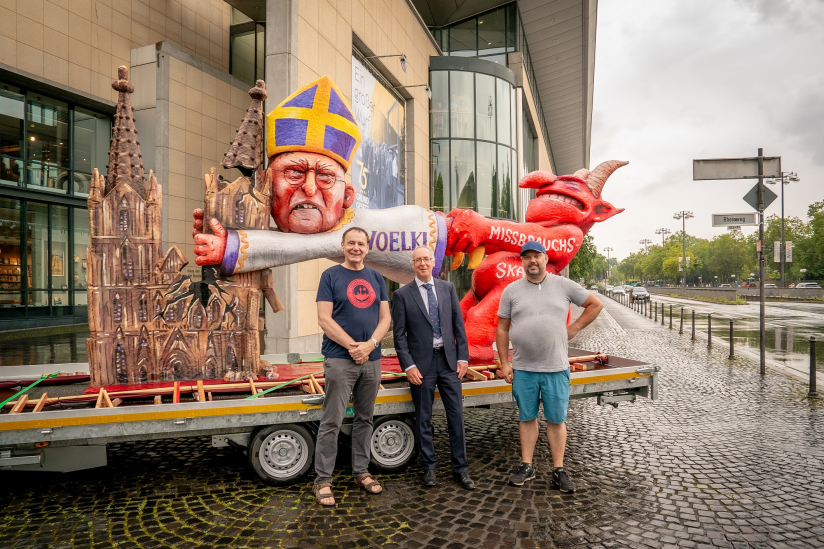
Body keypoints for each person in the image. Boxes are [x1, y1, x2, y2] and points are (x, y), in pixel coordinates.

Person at [496, 241, 604, 493]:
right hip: (523, 367)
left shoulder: (563, 285)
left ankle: (558, 469)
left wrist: (574, 328)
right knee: (527, 417)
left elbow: (595, 304)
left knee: (556, 420)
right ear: (522, 262)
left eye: (536, 256)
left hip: (555, 366)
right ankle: (527, 465)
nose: (532, 261)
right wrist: (504, 362)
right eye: (527, 258)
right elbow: (502, 327)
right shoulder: (511, 291)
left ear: (545, 258)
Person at [313, 226, 391, 506]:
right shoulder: (330, 276)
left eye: (361, 243)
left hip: (371, 360)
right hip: (339, 359)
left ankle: (361, 471)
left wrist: (370, 345)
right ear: (343, 246)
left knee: (364, 419)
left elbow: (385, 318)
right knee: (331, 421)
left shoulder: (376, 277)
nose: (356, 248)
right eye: (351, 243)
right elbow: (324, 319)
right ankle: (322, 480)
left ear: (367, 248)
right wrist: (352, 347)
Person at [392, 246, 475, 490]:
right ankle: (428, 468)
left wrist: (463, 358)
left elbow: (458, 326)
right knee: (424, 419)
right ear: (413, 264)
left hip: (450, 363)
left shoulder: (447, 288)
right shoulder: (403, 295)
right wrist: (408, 365)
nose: (423, 264)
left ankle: (461, 469)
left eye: (426, 259)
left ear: (433, 262)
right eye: (418, 260)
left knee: (456, 417)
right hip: (421, 366)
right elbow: (399, 336)